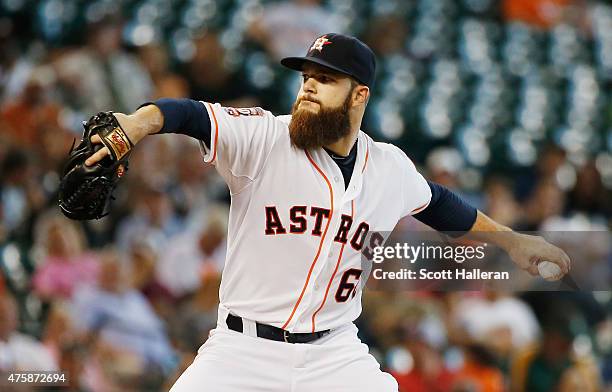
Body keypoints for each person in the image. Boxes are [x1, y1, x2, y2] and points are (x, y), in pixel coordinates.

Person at [84, 33, 571, 391]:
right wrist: (136, 124)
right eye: (306, 77)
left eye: (325, 78)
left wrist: (512, 239)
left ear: (361, 94)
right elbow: (190, 114)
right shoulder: (265, 139)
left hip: (334, 355)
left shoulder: (389, 168)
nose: (308, 87)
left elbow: (442, 205)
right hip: (242, 352)